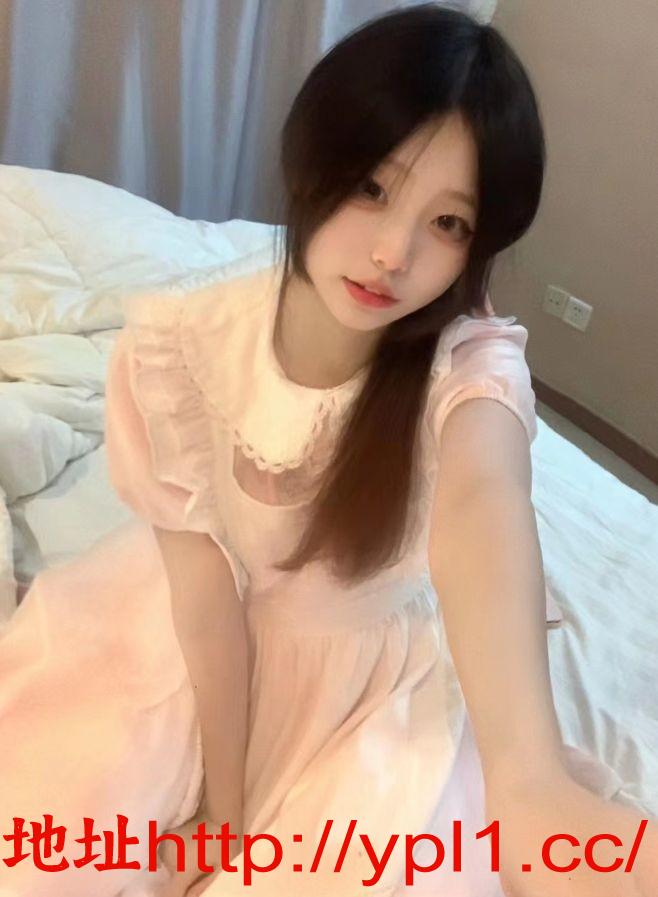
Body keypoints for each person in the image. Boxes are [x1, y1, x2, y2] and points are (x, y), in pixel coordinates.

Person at [1, 5, 656, 897]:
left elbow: (484, 500)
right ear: (315, 158)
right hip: (198, 653)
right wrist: (226, 810)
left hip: (370, 686)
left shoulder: (469, 365)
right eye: (373, 188)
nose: (392, 254)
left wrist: (528, 777)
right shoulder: (179, 352)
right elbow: (205, 602)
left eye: (449, 223)